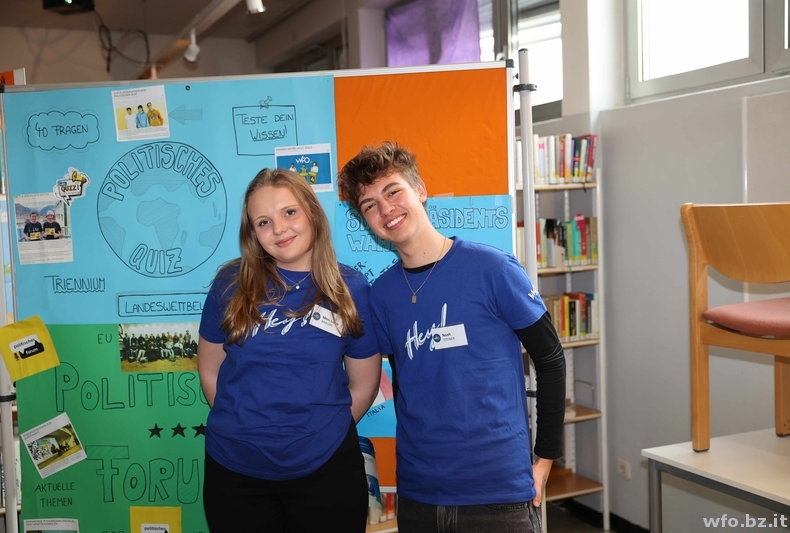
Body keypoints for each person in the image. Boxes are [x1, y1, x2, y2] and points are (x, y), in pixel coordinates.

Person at [339, 141, 566, 533]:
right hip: (420, 495)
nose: (386, 209)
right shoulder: (382, 295)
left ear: (420, 190)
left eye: (393, 191)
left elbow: (550, 358)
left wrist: (544, 460)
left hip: (499, 495)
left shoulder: (492, 269)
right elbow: (393, 378)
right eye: (370, 205)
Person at [198, 168, 381, 532]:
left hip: (326, 468)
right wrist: (246, 425)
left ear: (312, 211)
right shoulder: (229, 284)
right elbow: (209, 368)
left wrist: (317, 434)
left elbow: (364, 384)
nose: (279, 229)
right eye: (263, 222)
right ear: (252, 233)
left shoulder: (350, 288)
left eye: (289, 212)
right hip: (235, 469)